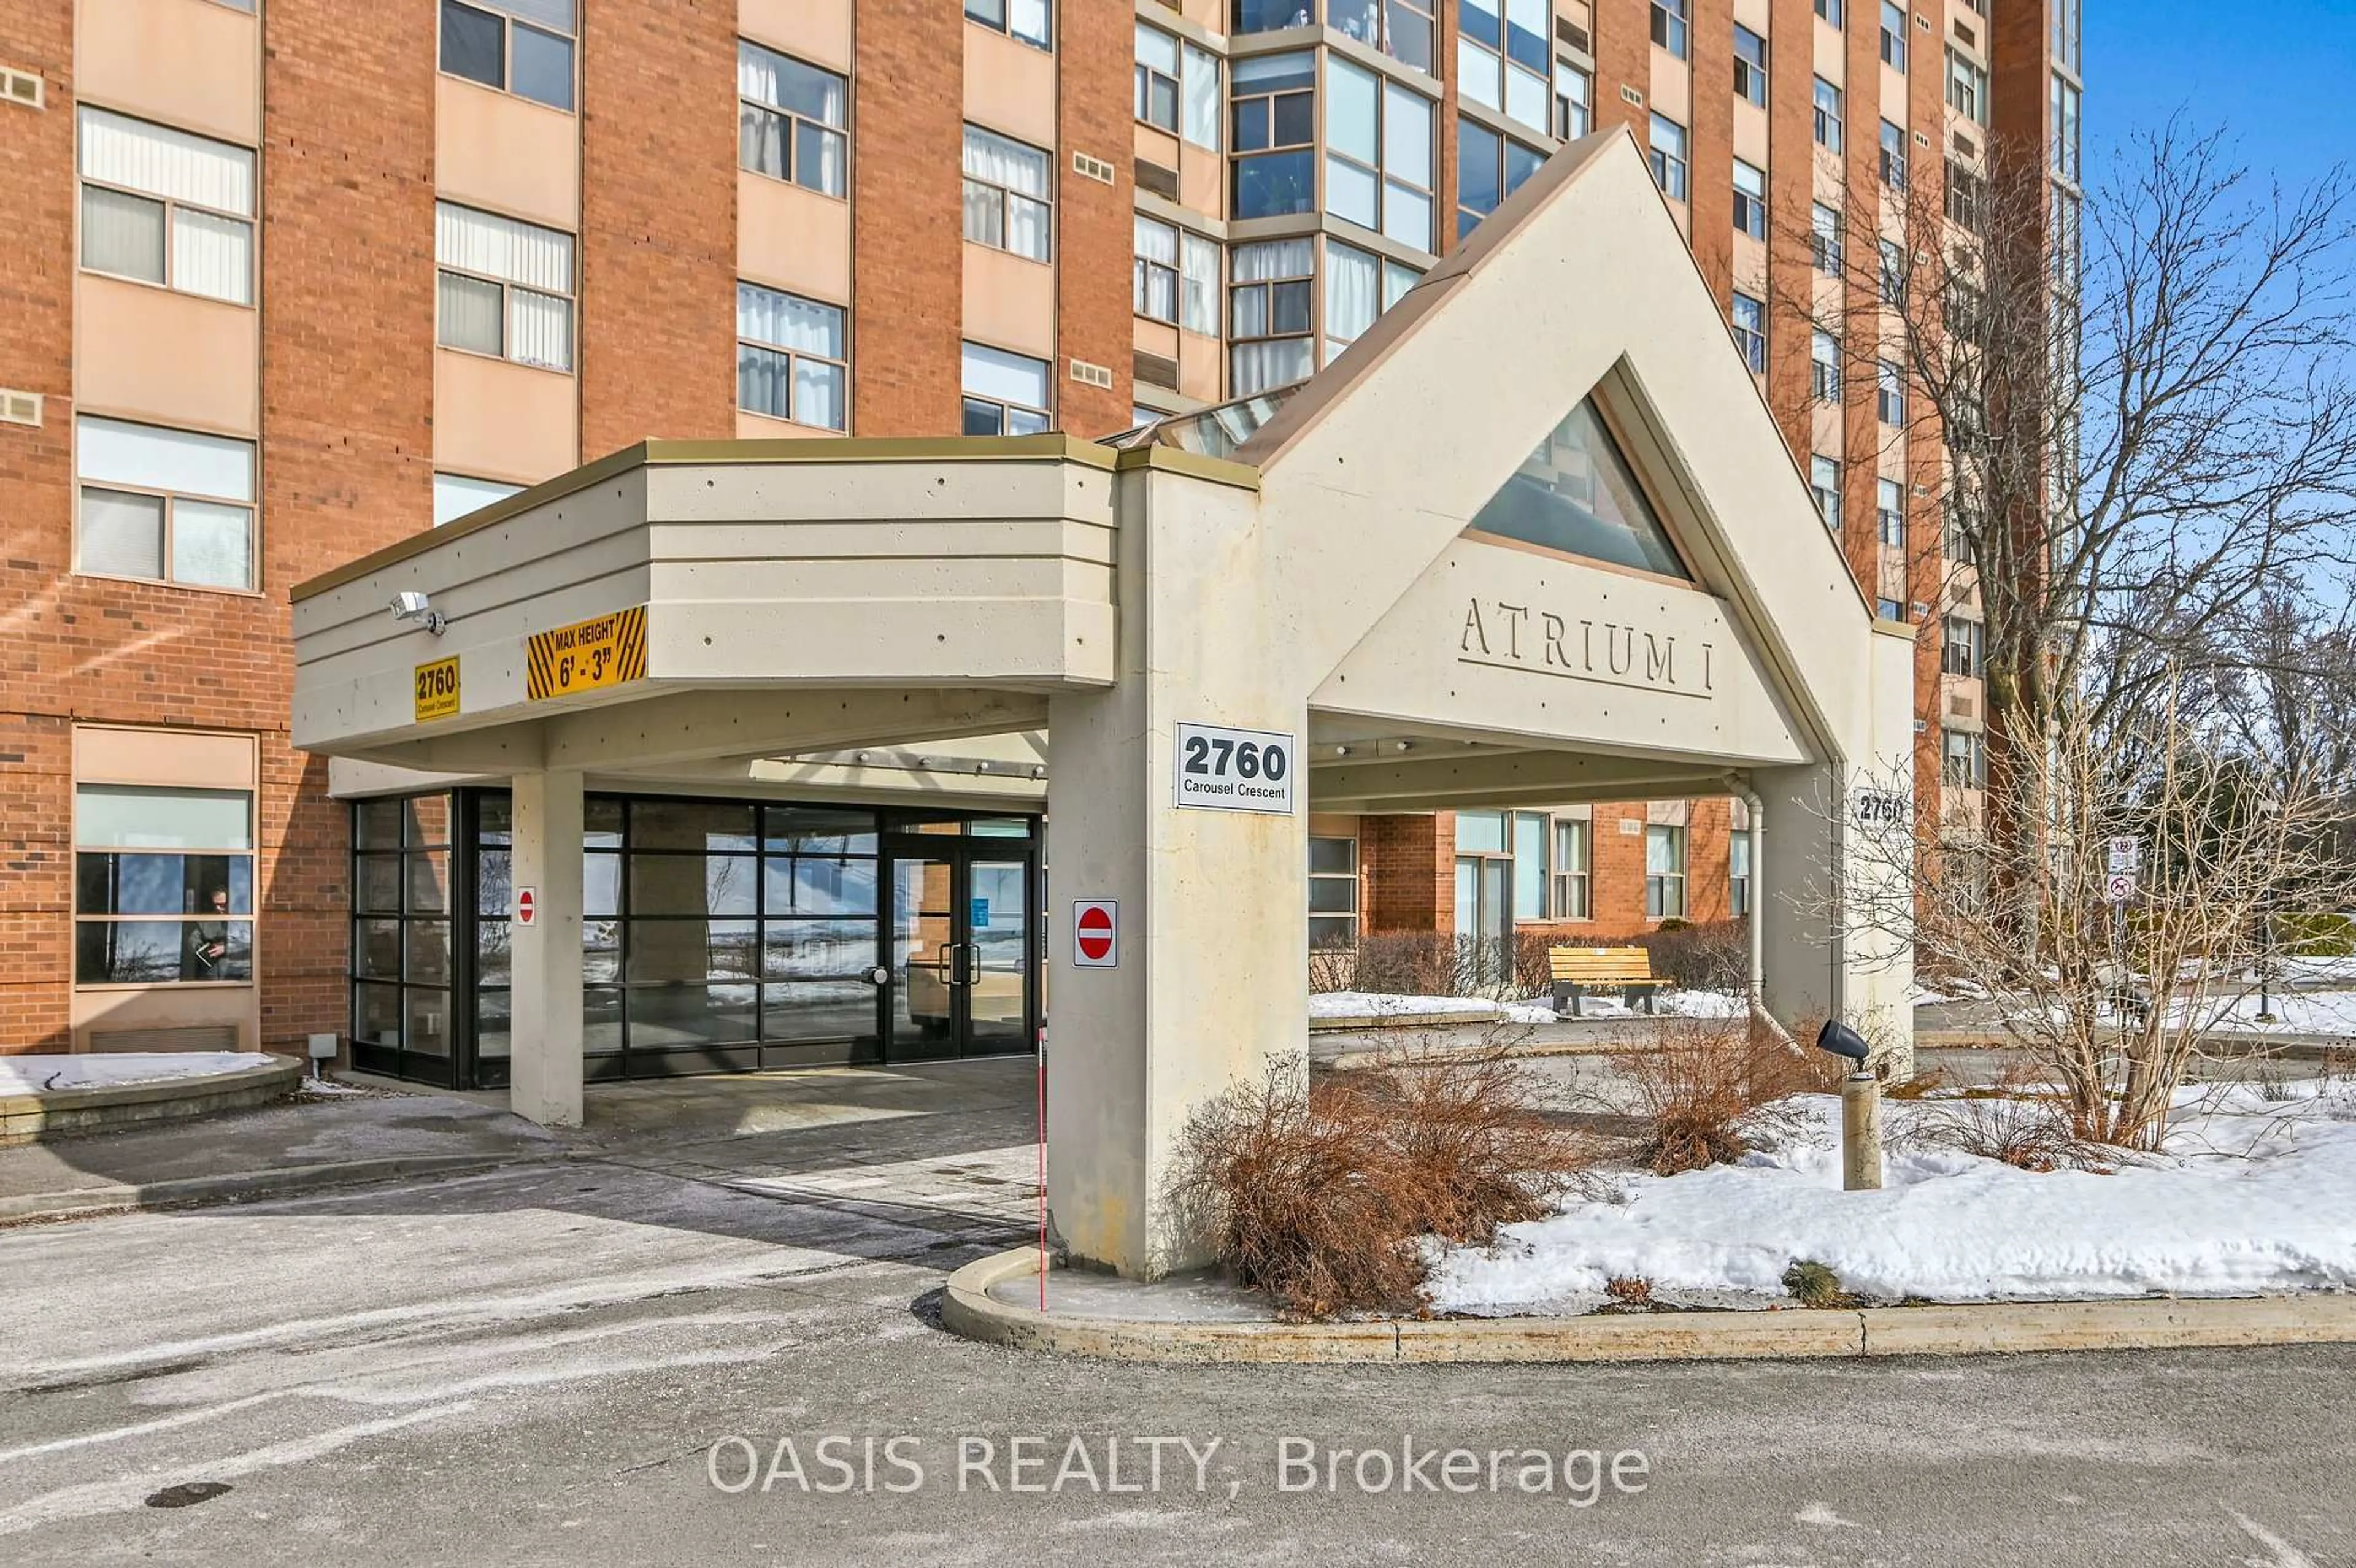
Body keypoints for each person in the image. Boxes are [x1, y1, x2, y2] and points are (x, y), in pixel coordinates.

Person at [186, 888, 232, 979]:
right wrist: (203, 949)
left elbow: (249, 944)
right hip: (211, 975)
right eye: (215, 905)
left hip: (236, 973)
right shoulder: (205, 923)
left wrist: (226, 948)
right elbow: (192, 941)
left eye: (222, 905)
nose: (218, 908)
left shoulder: (243, 920)